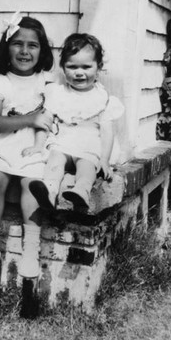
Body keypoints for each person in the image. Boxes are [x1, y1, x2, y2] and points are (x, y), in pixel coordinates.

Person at [0, 13, 54, 280]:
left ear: (42, 51)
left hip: (36, 142)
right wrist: (31, 117)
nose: (25, 50)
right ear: (6, 47)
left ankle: (31, 249)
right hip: (4, 141)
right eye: (18, 43)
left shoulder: (47, 82)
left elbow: (57, 112)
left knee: (33, 182)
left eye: (33, 45)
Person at [29, 33, 124, 213]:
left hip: (89, 145)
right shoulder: (58, 93)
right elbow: (46, 121)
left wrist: (104, 159)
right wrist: (38, 145)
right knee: (55, 160)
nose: (79, 73)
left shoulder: (102, 98)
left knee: (87, 164)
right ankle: (49, 191)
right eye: (72, 67)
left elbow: (107, 131)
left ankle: (82, 190)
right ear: (64, 68)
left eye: (86, 67)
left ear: (98, 68)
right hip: (63, 142)